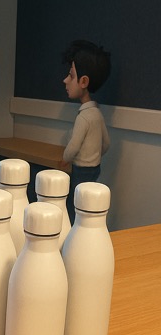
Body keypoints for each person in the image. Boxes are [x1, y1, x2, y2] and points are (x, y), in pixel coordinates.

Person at [62, 39, 111, 223]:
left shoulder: (83, 117)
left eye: (71, 75)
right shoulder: (97, 114)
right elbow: (106, 143)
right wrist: (95, 155)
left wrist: (65, 158)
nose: (65, 80)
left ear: (83, 81)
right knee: (88, 206)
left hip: (81, 169)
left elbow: (73, 146)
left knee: (75, 206)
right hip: (95, 168)